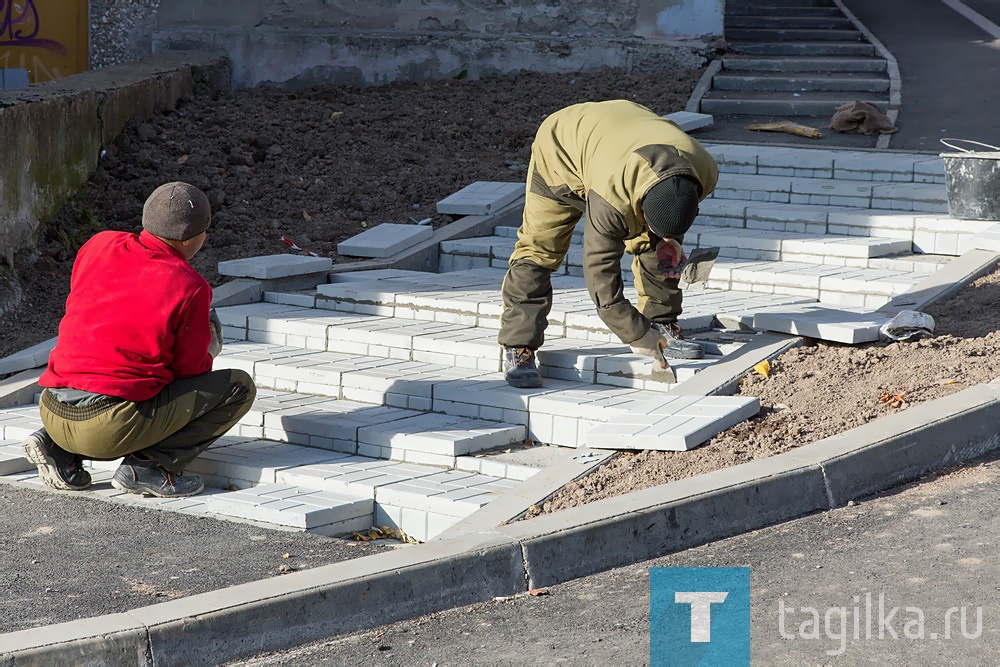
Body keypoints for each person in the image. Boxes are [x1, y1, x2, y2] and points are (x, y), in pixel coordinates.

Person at [22, 182, 257, 498]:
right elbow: (189, 372)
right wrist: (210, 348)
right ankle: (148, 467)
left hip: (51, 407)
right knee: (238, 387)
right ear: (192, 239)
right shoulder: (190, 286)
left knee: (113, 377)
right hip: (105, 429)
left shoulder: (98, 244)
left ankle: (59, 449)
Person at [498, 100, 720, 388]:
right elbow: (600, 277)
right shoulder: (611, 200)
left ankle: (661, 320)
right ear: (639, 206)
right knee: (540, 248)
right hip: (562, 149)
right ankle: (518, 346)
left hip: (616, 140)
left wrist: (669, 241)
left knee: (655, 246)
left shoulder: (703, 171)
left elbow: (671, 209)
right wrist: (636, 335)